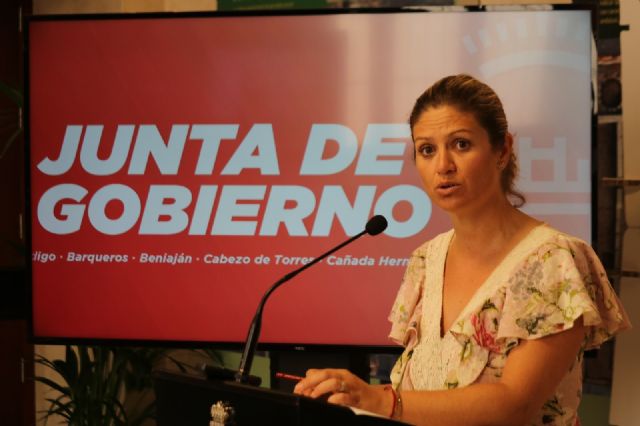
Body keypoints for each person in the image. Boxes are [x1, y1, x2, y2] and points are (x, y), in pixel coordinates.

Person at [293, 74, 630, 425]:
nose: (443, 166)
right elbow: (423, 396)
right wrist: (351, 395)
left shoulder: (554, 260)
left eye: (461, 144)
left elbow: (515, 405)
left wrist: (380, 399)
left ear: (502, 150)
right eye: (427, 150)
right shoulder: (426, 259)